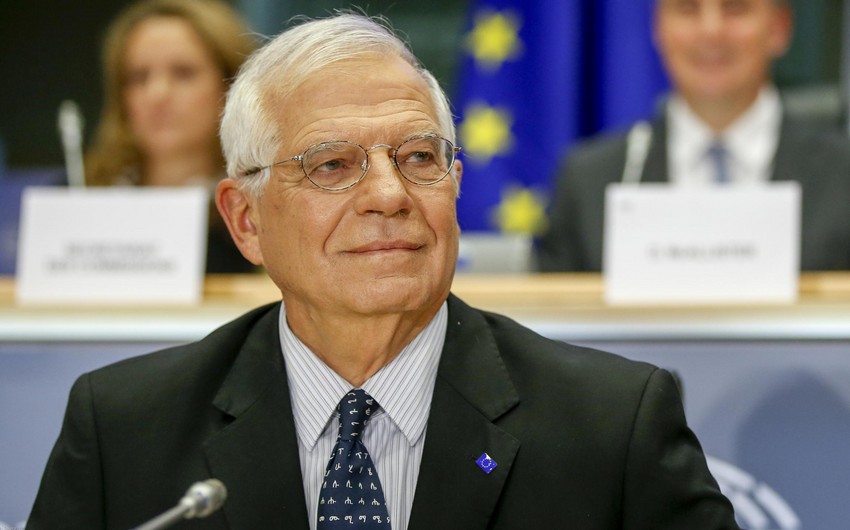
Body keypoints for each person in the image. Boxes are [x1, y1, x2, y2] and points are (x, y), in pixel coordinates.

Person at [27, 13, 739, 530]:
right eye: (331, 164)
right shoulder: (125, 430)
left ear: (454, 186)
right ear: (246, 220)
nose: (389, 196)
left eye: (419, 157)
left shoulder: (614, 424)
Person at [537, 0, 850, 272]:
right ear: (658, 27)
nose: (711, 31)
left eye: (735, 9)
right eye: (688, 9)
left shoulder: (843, 175)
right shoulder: (589, 181)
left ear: (778, 28)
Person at [85, 0, 258, 273]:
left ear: (231, 86)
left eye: (183, 73)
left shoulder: (256, 208)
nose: (157, 94)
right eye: (138, 77)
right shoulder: (77, 196)